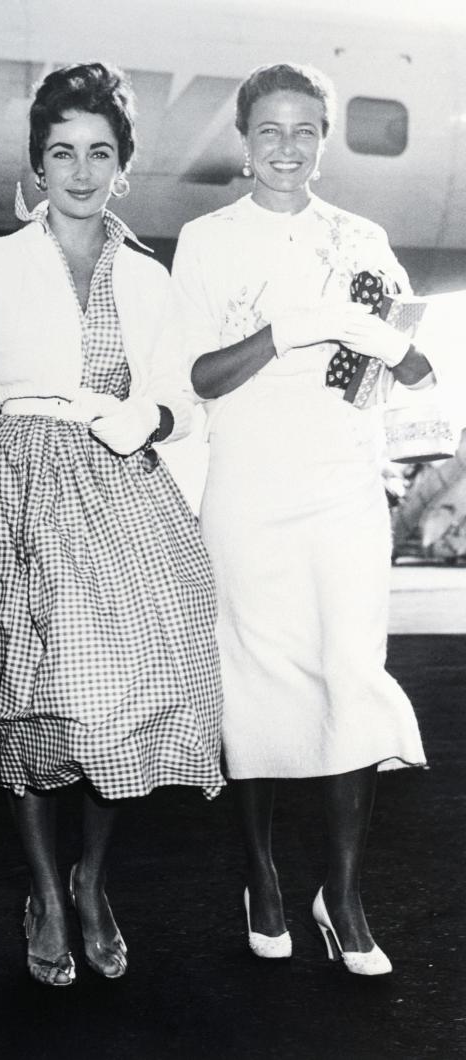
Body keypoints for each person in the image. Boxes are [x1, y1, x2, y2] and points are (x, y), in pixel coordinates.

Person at [0, 62, 224, 987]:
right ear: (37, 164)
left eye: (99, 152)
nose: (81, 171)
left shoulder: (148, 275)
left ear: (123, 166)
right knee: (23, 703)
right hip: (10, 492)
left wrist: (151, 418)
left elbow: (182, 395)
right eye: (63, 152)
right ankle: (48, 893)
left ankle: (94, 879)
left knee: (113, 701)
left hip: (119, 487)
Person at [165, 62, 430, 976]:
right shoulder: (206, 240)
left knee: (350, 675)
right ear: (243, 140)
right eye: (269, 130)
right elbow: (195, 380)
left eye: (305, 130)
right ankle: (264, 878)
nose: (287, 147)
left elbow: (407, 357)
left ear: (324, 138)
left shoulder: (363, 235)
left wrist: (397, 351)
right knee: (257, 684)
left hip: (344, 483)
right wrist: (286, 330)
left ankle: (345, 896)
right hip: (248, 485)